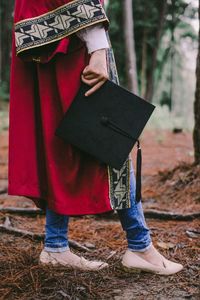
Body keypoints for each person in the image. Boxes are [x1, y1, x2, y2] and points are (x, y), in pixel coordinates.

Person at [9, 0, 183, 275]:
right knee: (108, 141)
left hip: (61, 47)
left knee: (69, 141)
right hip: (76, 50)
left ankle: (56, 244)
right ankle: (140, 245)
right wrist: (98, 50)